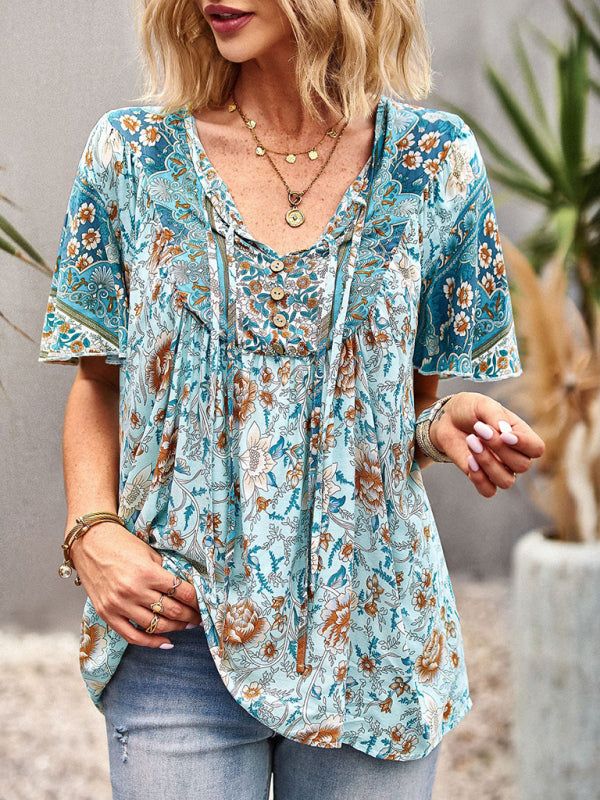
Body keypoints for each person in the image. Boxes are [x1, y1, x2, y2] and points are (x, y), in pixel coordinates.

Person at [40, 1, 545, 798]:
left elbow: (403, 410)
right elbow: (98, 381)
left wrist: (443, 424)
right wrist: (91, 530)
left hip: (373, 637)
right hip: (179, 632)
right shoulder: (130, 154)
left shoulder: (434, 162)